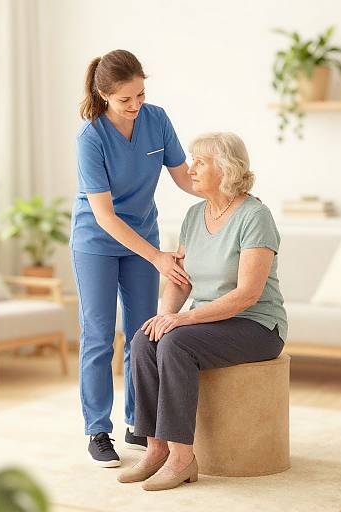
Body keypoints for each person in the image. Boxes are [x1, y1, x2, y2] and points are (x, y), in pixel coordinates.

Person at [117, 132, 287, 490]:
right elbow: (181, 280)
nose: (189, 168)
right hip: (209, 322)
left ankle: (182, 459)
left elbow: (247, 295)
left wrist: (184, 319)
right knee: (147, 338)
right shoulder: (195, 215)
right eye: (191, 160)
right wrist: (165, 315)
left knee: (177, 344)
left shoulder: (255, 216)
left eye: (200, 161)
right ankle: (156, 449)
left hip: (256, 325)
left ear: (225, 169)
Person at [70, 49, 200, 467]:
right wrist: (159, 257)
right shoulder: (91, 138)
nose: (136, 105)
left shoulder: (157, 119)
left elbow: (184, 177)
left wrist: (227, 191)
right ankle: (97, 430)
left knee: (144, 334)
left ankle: (138, 422)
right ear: (104, 94)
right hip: (98, 242)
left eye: (140, 94)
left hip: (143, 237)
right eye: (126, 99)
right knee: (99, 335)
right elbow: (105, 216)